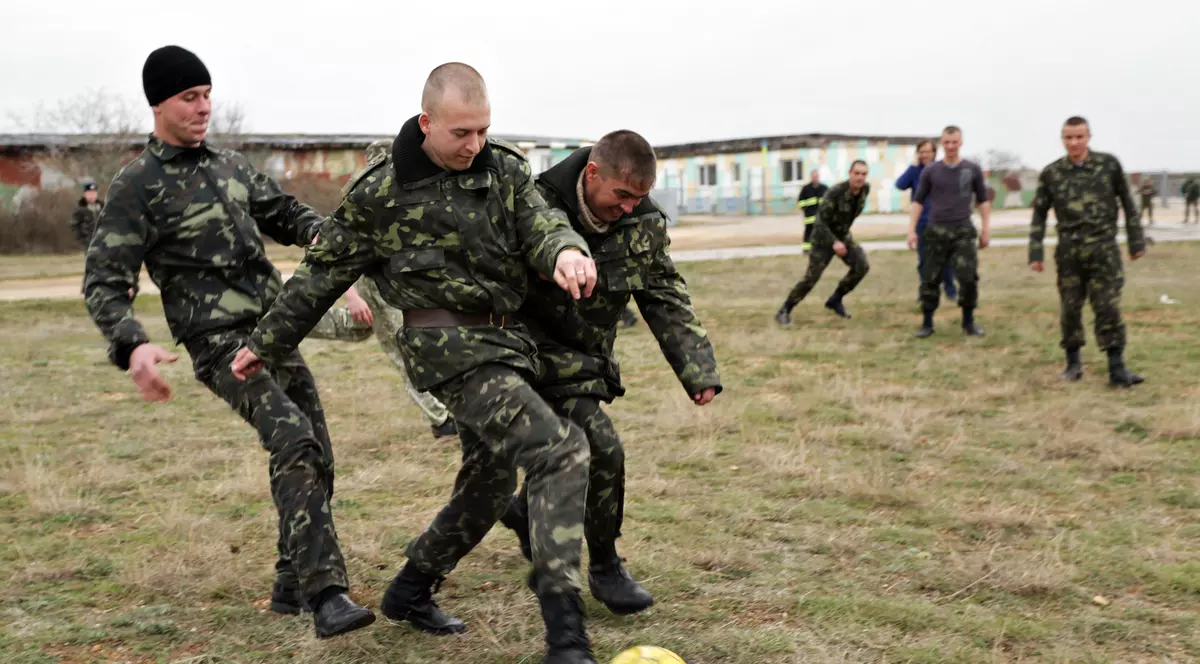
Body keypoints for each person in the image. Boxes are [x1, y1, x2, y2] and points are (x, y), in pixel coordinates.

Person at [229, 63, 602, 664]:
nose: (474, 144)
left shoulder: (502, 170)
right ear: (427, 122)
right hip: (448, 353)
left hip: (510, 346)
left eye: (483, 130)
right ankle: (565, 632)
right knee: (560, 450)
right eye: (461, 133)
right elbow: (321, 275)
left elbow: (542, 222)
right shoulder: (381, 192)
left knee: (489, 483)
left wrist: (565, 250)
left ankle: (410, 589)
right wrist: (264, 343)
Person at [82, 45, 374, 638]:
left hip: (273, 331)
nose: (204, 107)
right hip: (217, 344)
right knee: (293, 440)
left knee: (317, 451)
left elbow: (290, 215)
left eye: (208, 95)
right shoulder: (138, 185)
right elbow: (105, 280)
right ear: (159, 103)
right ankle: (327, 596)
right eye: (190, 97)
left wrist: (338, 255)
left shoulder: (231, 167)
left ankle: (290, 586)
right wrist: (132, 344)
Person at [495, 130, 722, 616]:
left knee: (599, 453)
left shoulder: (642, 223)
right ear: (593, 173)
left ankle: (600, 561)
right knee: (592, 450)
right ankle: (573, 553)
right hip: (521, 357)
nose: (627, 208)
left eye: (639, 198)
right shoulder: (532, 201)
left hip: (581, 363)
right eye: (621, 195)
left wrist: (697, 369)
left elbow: (663, 295)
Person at [305, 139, 458, 439]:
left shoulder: (401, 192)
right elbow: (332, 249)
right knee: (405, 349)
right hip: (375, 284)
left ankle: (295, 324)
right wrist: (352, 296)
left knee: (359, 328)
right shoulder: (361, 197)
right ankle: (441, 421)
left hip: (395, 282)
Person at [1029, 116, 1146, 387]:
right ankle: (1073, 364)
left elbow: (1128, 203)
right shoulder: (1052, 173)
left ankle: (1117, 368)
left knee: (1107, 306)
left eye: (1079, 137)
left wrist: (1136, 241)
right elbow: (1038, 214)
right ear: (1062, 139)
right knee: (1070, 308)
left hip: (1103, 250)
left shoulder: (1108, 165)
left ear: (1089, 137)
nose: (1074, 142)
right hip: (1070, 252)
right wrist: (1035, 253)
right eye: (1068, 137)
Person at [907, 125, 991, 338]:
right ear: (941, 144)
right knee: (930, 278)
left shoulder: (972, 169)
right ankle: (927, 323)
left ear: (961, 142)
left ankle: (968, 322)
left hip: (963, 230)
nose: (951, 146)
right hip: (936, 230)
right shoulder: (931, 171)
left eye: (955, 142)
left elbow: (983, 201)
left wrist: (986, 229)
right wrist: (911, 230)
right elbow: (917, 201)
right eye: (947, 142)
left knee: (968, 277)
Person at [774, 160, 872, 323]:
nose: (860, 178)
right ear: (850, 174)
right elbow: (819, 222)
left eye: (863, 174)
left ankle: (835, 300)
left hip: (842, 236)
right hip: (822, 238)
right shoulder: (835, 192)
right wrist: (834, 242)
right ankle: (785, 310)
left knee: (862, 266)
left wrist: (841, 240)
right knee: (811, 278)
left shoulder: (865, 190)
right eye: (857, 173)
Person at [896, 140, 956, 299]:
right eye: (921, 152)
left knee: (945, 259)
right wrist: (913, 166)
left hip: (941, 221)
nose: (924, 155)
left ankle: (950, 291)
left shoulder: (942, 169)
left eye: (927, 151)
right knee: (924, 261)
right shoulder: (915, 171)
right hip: (922, 222)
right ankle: (925, 293)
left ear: (934, 153)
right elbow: (900, 185)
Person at [796, 170, 828, 253]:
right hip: (809, 217)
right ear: (811, 177)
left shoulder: (824, 188)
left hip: (821, 217)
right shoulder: (806, 189)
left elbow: (829, 200)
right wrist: (805, 209)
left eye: (817, 176)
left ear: (819, 177)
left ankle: (823, 249)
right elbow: (800, 201)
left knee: (822, 233)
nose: (815, 178)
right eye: (814, 176)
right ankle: (806, 249)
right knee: (808, 233)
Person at [71, 182, 103, 248]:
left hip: (103, 242)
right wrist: (83, 240)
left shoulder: (102, 207)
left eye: (94, 193)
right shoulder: (80, 208)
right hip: (89, 243)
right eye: (90, 193)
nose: (92, 196)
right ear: (85, 194)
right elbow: (75, 226)